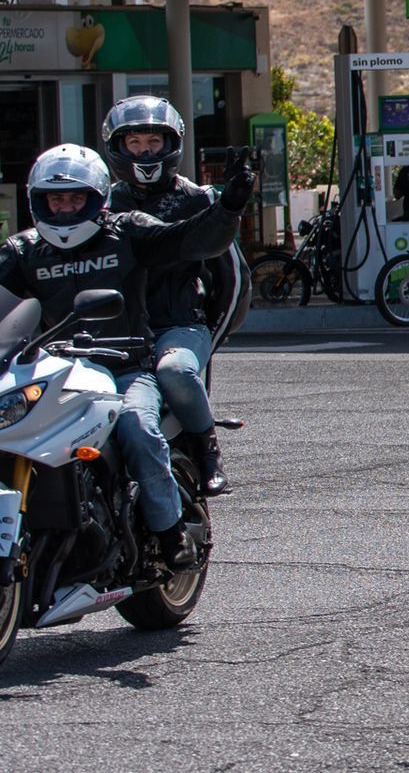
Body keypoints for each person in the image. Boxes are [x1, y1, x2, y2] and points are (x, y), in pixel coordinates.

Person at [0, 144, 254, 567]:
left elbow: (189, 239)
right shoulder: (23, 251)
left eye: (74, 198)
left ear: (96, 198)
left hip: (127, 369)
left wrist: (228, 207)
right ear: (38, 201)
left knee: (138, 428)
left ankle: (170, 533)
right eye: (55, 199)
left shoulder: (127, 231)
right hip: (57, 371)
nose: (64, 209)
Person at [101, 96, 237, 495]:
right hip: (121, 330)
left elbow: (233, 281)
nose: (145, 151)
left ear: (171, 143)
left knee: (175, 371)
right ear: (119, 147)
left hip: (179, 324)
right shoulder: (102, 203)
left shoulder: (199, 199)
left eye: (153, 142)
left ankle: (208, 452)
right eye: (135, 143)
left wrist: (209, 336)